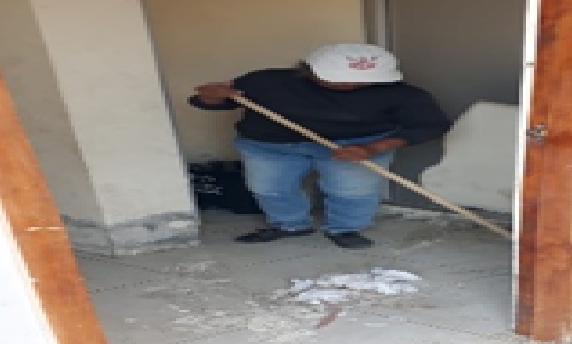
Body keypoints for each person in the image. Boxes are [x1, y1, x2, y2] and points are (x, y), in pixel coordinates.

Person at [188, 43, 450, 249]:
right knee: (269, 187)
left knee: (352, 190)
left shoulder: (402, 94)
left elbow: (430, 126)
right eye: (340, 79)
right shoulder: (266, 82)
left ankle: (345, 229)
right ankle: (289, 225)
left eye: (362, 80)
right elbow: (217, 102)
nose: (350, 85)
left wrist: (373, 148)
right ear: (309, 71)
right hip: (271, 144)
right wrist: (210, 96)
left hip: (360, 143)